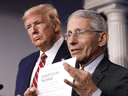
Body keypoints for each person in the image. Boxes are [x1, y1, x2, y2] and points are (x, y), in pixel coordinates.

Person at [63, 9, 128, 96]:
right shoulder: (64, 77)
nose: (71, 41)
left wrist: (93, 93)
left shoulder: (123, 77)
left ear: (101, 39)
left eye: (80, 32)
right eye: (69, 34)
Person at [15, 4, 72, 96]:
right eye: (28, 27)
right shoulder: (24, 63)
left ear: (56, 26)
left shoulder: (75, 54)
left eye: (38, 23)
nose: (33, 30)